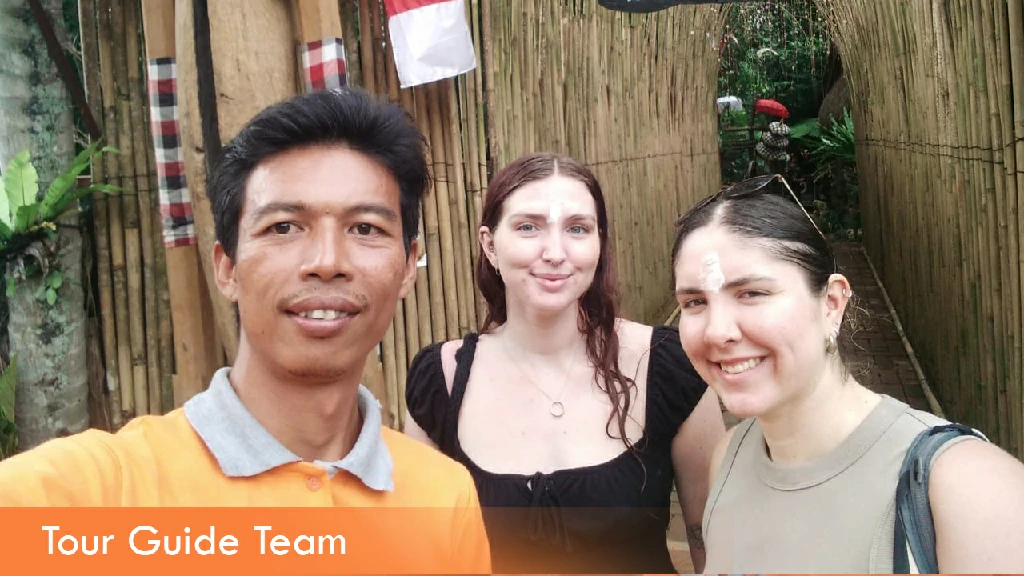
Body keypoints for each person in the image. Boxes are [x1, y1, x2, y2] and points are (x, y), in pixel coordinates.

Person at [0, 88, 490, 572]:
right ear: (227, 268)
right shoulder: (102, 491)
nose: (327, 262)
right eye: (284, 227)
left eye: (365, 228)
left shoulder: (443, 498)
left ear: (407, 267)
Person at [671, 174, 1024, 573]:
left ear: (832, 303)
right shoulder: (728, 458)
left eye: (752, 293)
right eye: (694, 302)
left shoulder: (968, 489)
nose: (717, 331)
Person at [402, 152, 726, 574]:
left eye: (577, 228)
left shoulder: (667, 366)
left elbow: (711, 541)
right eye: (528, 227)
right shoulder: (439, 381)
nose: (555, 252)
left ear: (599, 244)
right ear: (490, 244)